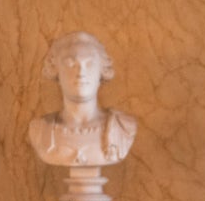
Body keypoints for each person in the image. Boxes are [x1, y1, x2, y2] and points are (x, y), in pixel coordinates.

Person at [28, 31, 136, 167]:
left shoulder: (122, 127)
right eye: (70, 63)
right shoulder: (41, 129)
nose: (80, 72)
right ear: (56, 70)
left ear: (101, 71)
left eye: (89, 64)